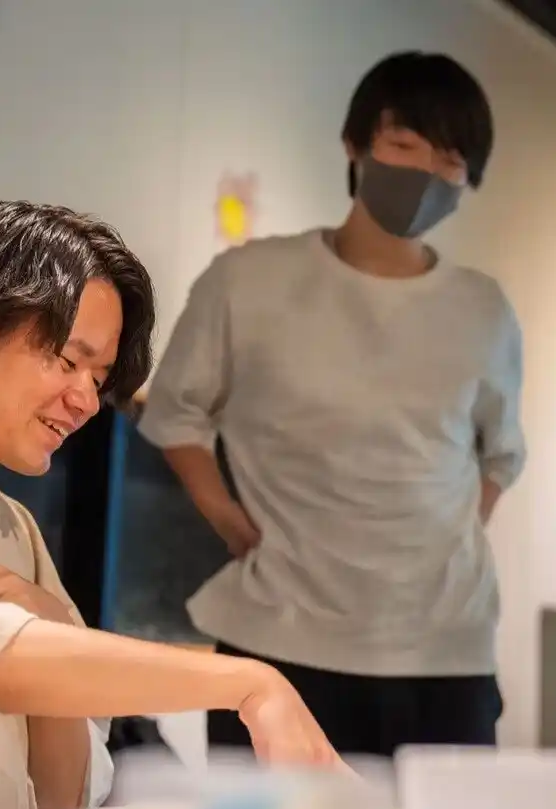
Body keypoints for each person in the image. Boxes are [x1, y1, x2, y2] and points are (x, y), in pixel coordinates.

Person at [0, 200, 340, 809]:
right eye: (67, 360)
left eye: (98, 380)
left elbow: (63, 794)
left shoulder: (16, 528)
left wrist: (53, 632)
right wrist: (249, 682)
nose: (84, 401)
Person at [138, 50, 526, 757]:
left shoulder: (483, 308)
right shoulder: (249, 280)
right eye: (404, 145)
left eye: (449, 161)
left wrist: (445, 538)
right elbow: (173, 411)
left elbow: (501, 453)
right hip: (280, 639)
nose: (425, 174)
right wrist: (227, 518)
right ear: (355, 143)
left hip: (444, 651)